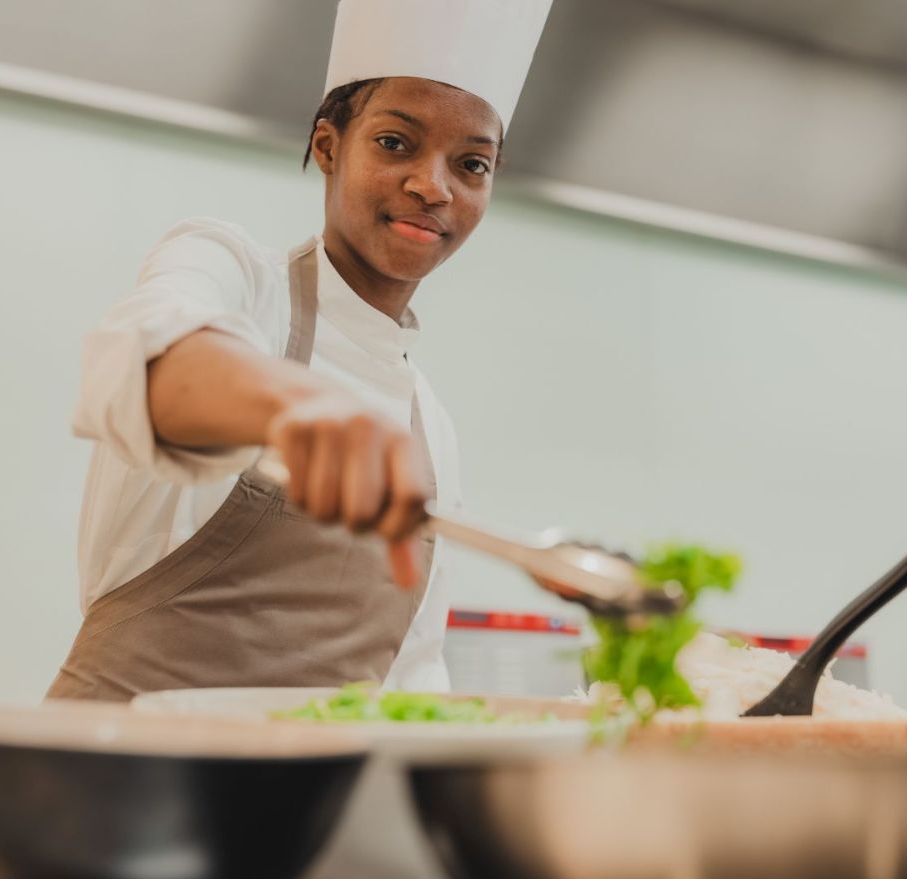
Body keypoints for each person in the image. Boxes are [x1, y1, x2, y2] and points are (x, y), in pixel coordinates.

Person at [48, 0, 552, 701]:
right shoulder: (236, 277)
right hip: (108, 762)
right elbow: (145, 357)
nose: (432, 187)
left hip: (321, 777)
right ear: (328, 147)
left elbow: (413, 673)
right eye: (395, 143)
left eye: (472, 164)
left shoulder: (431, 428)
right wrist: (294, 403)